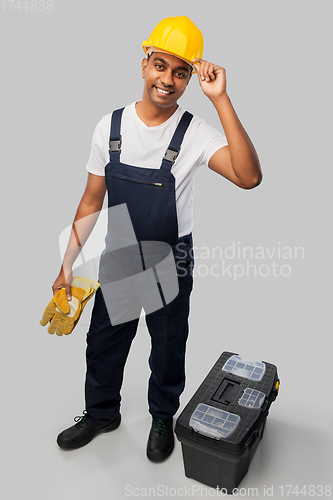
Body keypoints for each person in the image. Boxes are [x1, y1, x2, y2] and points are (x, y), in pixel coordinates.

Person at [53, 16, 262, 462]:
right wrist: (68, 264)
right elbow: (91, 200)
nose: (167, 80)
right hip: (122, 250)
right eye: (160, 65)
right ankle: (101, 412)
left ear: (190, 77)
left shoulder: (195, 133)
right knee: (105, 341)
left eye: (180, 71)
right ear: (144, 63)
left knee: (168, 345)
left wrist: (220, 99)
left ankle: (162, 415)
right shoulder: (109, 127)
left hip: (172, 255)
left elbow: (249, 177)